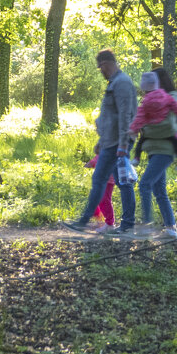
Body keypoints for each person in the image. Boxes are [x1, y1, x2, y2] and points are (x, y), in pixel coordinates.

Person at [63, 49, 137, 234]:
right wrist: (101, 141)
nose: (100, 71)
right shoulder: (115, 82)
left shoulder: (122, 83)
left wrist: (122, 144)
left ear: (106, 64)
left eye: (100, 67)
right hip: (110, 142)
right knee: (109, 181)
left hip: (118, 143)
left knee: (118, 182)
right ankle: (87, 220)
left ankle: (123, 224)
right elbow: (110, 117)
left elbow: (125, 116)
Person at [128, 70, 177, 238]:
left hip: (163, 150)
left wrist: (135, 129)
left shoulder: (160, 100)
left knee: (145, 184)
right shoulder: (164, 99)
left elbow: (149, 123)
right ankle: (171, 228)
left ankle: (147, 224)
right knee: (159, 189)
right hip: (156, 150)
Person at [85, 151, 116, 233]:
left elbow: (102, 159)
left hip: (108, 178)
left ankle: (110, 224)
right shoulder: (105, 145)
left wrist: (92, 162)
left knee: (104, 200)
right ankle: (100, 220)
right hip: (102, 178)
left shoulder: (111, 146)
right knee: (95, 198)